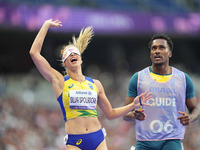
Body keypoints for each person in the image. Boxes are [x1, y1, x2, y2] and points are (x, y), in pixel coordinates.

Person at [29, 19, 152, 150]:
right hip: (75, 141)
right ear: (65, 63)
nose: (73, 55)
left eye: (75, 53)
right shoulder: (60, 81)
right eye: (69, 55)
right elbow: (34, 53)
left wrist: (132, 105)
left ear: (81, 59)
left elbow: (110, 114)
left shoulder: (96, 84)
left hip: (97, 139)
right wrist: (46, 25)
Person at [123, 33, 199, 150]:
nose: (157, 51)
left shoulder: (183, 79)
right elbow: (125, 114)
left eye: (161, 48)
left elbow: (195, 109)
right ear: (150, 54)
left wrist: (190, 118)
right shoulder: (138, 78)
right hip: (145, 142)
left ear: (170, 53)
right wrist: (134, 114)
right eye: (154, 48)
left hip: (172, 140)